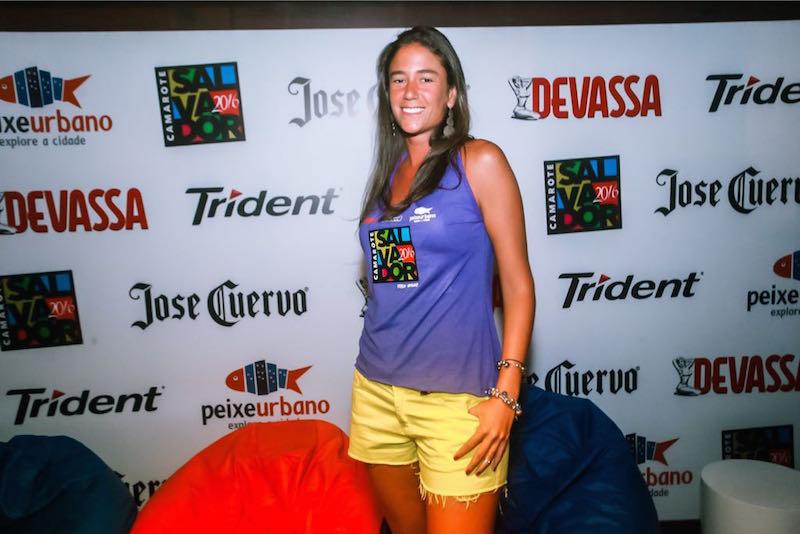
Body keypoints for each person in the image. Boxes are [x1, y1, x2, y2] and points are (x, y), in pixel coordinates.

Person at [348, 26, 535, 534]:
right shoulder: (387, 176)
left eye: (426, 78)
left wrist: (506, 393)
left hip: (457, 403)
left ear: (451, 93)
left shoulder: (479, 161)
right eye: (398, 79)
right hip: (377, 391)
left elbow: (517, 285)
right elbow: (400, 284)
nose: (410, 91)